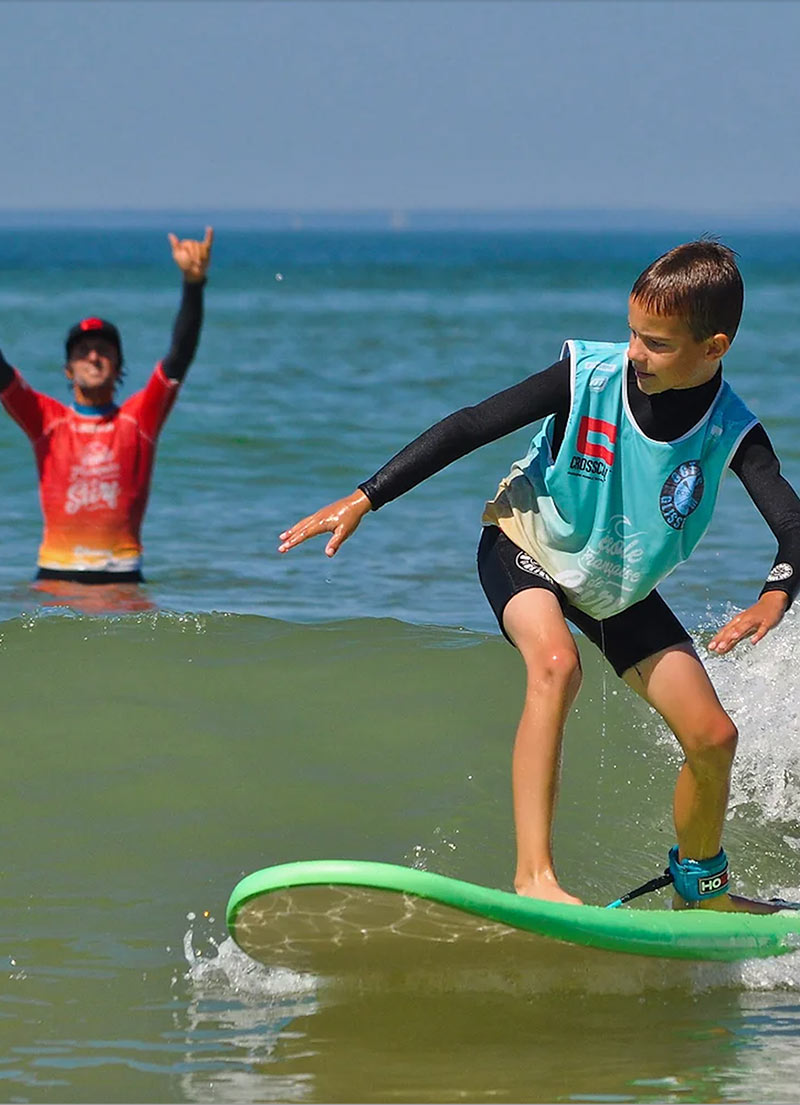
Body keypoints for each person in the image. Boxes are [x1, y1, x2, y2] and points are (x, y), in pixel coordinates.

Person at [278, 240, 800, 913]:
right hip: (523, 542)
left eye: (657, 343)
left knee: (714, 736)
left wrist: (775, 594)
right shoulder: (588, 374)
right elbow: (471, 425)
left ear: (714, 347)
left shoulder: (731, 430)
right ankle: (535, 877)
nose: (635, 353)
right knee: (556, 663)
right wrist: (366, 496)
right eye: (633, 333)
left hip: (615, 586)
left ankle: (700, 889)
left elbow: (792, 522)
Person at [0, 227, 213, 588]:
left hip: (123, 577)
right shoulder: (47, 421)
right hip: (55, 575)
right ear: (68, 369)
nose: (94, 357)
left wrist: (193, 284)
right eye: (83, 351)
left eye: (104, 351)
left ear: (118, 365)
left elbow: (179, 357)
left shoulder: (139, 419)